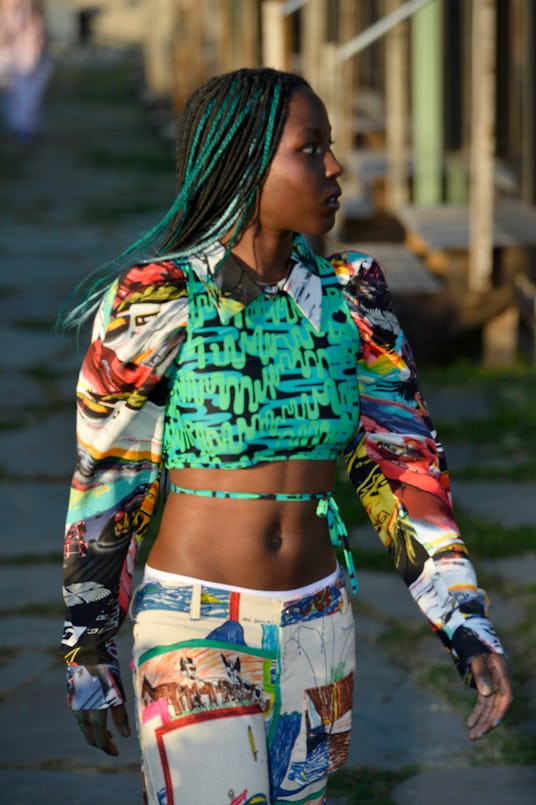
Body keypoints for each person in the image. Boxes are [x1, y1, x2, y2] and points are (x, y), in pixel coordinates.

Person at [60, 67, 512, 805]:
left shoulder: (352, 295)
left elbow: (406, 470)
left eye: (330, 147)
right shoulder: (159, 298)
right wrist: (89, 642)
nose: (336, 167)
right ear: (244, 165)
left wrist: (463, 618)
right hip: (194, 627)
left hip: (319, 622)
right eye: (312, 148)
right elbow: (109, 480)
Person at [0, 0, 51, 142]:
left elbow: (36, 35)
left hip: (27, 55)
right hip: (13, 54)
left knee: (26, 92)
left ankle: (23, 128)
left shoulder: (30, 11)